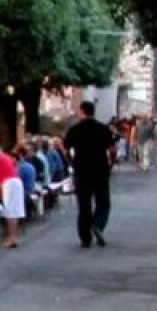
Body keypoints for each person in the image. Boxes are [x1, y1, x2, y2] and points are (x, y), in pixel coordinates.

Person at [63, 101, 114, 247]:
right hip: (100, 169)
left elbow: (66, 151)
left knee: (84, 205)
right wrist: (110, 163)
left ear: (82, 111)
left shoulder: (74, 129)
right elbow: (112, 150)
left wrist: (72, 163)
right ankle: (98, 224)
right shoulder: (103, 129)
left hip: (82, 170)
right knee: (103, 202)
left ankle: (85, 238)